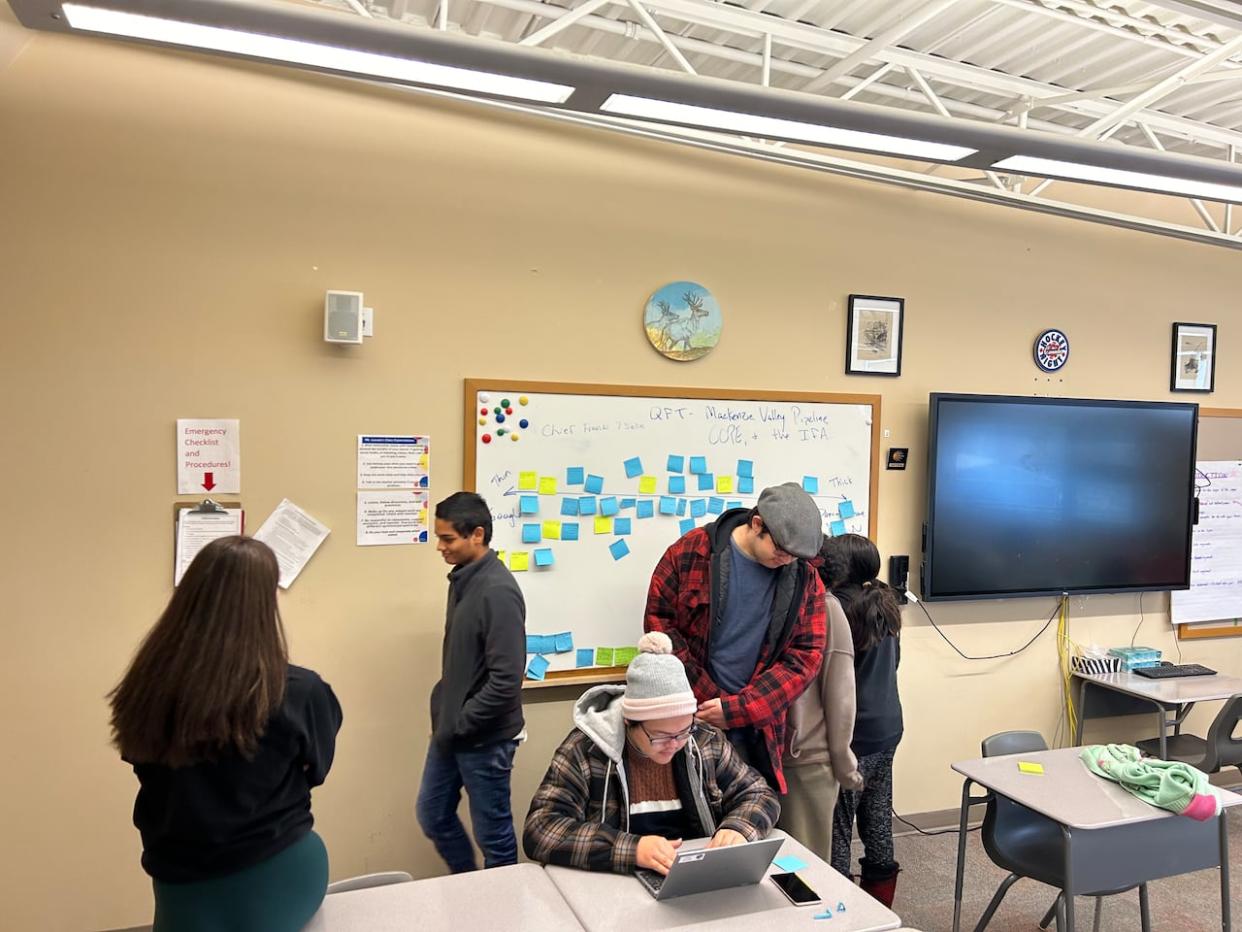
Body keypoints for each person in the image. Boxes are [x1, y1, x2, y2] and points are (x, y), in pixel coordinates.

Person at [108, 536, 342, 932]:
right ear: (264, 603)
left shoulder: (145, 687)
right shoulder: (299, 691)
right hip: (279, 864)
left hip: (178, 879)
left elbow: (137, 754)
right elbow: (315, 771)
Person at [522, 631, 779, 874]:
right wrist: (632, 849)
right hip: (617, 884)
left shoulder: (702, 739)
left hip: (692, 875)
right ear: (628, 722)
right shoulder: (587, 749)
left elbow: (759, 793)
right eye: (660, 736)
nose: (675, 743)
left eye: (683, 731)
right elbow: (541, 828)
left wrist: (738, 829)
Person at [644, 481, 827, 793]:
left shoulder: (804, 577)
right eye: (781, 550)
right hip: (688, 716)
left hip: (757, 726)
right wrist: (707, 698)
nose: (787, 560)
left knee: (751, 816)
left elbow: (805, 657)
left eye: (795, 556)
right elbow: (661, 628)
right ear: (757, 524)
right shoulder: (690, 553)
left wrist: (740, 709)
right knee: (690, 816)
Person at [417, 490, 526, 872]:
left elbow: (507, 680)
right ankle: (466, 887)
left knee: (494, 838)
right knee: (432, 814)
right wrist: (446, 716)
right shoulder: (463, 580)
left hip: (485, 737)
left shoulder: (497, 591)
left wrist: (462, 721)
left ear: (476, 535)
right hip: (453, 731)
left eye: (448, 539)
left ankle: (500, 916)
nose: (440, 547)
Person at [825, 534, 903, 909]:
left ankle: (841, 911)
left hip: (853, 735)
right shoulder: (885, 603)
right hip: (888, 727)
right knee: (877, 819)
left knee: (836, 828)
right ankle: (879, 911)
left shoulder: (834, 609)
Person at [779, 535, 864, 862]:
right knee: (778, 861)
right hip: (776, 752)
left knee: (804, 862)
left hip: (807, 759)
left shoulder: (827, 608)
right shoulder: (783, 603)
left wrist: (843, 760)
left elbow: (841, 697)